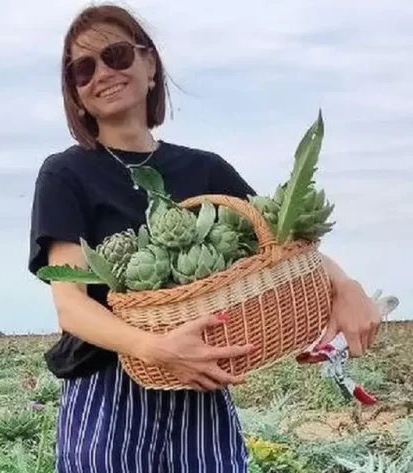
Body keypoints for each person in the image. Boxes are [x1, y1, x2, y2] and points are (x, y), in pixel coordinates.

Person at [26, 3, 381, 472]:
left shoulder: (205, 169)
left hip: (202, 388)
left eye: (115, 55)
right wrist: (155, 348)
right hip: (110, 386)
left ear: (149, 63)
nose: (101, 74)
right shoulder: (66, 174)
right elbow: (70, 306)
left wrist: (346, 286)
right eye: (82, 68)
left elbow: (282, 248)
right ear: (74, 91)